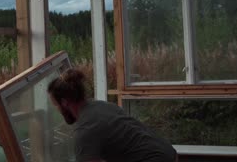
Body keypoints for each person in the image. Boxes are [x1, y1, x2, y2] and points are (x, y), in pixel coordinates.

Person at [47, 69, 177, 162]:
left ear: (64, 103)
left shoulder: (85, 131)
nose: (57, 109)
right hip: (168, 152)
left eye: (56, 105)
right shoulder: (101, 106)